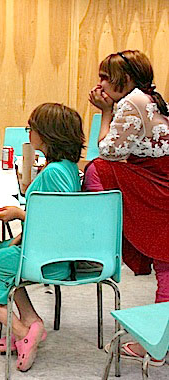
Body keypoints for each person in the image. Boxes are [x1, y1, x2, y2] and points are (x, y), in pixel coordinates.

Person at [0, 103, 85, 372]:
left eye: (32, 128)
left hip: (47, 258)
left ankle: (20, 331)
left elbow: (61, 220)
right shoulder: (67, 168)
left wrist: (19, 214)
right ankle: (31, 321)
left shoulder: (54, 172)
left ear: (48, 134)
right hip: (50, 252)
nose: (29, 132)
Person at [85, 50, 169, 366]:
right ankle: (161, 341)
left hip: (156, 188)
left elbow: (109, 152)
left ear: (128, 79)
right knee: (166, 265)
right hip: (161, 182)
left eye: (106, 77)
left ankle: (156, 347)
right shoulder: (149, 99)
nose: (100, 83)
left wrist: (105, 112)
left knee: (97, 168)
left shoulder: (132, 102)